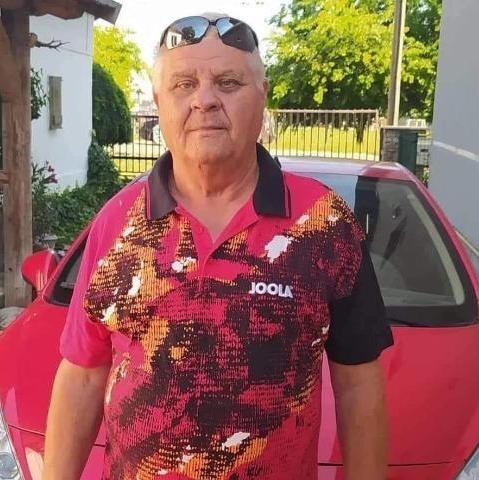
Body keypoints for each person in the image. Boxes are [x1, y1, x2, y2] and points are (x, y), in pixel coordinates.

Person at [43, 12, 393, 480]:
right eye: (184, 84)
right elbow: (83, 374)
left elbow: (357, 384)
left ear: (263, 95)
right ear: (159, 102)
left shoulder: (324, 222)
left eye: (228, 82)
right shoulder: (117, 221)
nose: (205, 100)